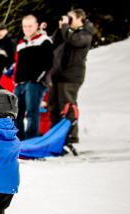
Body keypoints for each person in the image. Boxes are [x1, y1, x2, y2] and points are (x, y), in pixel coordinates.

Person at [48, 9, 94, 144]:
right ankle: (54, 136)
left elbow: (74, 41)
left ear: (80, 18)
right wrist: (61, 27)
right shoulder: (67, 32)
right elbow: (54, 42)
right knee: (53, 106)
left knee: (67, 105)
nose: (68, 21)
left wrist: (65, 26)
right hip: (58, 74)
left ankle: (71, 136)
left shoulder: (85, 32)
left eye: (71, 18)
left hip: (72, 76)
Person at [14, 15, 53, 140]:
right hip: (20, 83)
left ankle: (31, 140)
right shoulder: (21, 44)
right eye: (24, 26)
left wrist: (38, 78)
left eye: (30, 26)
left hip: (35, 83)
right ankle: (18, 139)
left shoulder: (44, 40)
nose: (27, 28)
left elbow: (48, 63)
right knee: (16, 113)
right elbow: (18, 64)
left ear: (36, 25)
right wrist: (16, 81)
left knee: (32, 112)